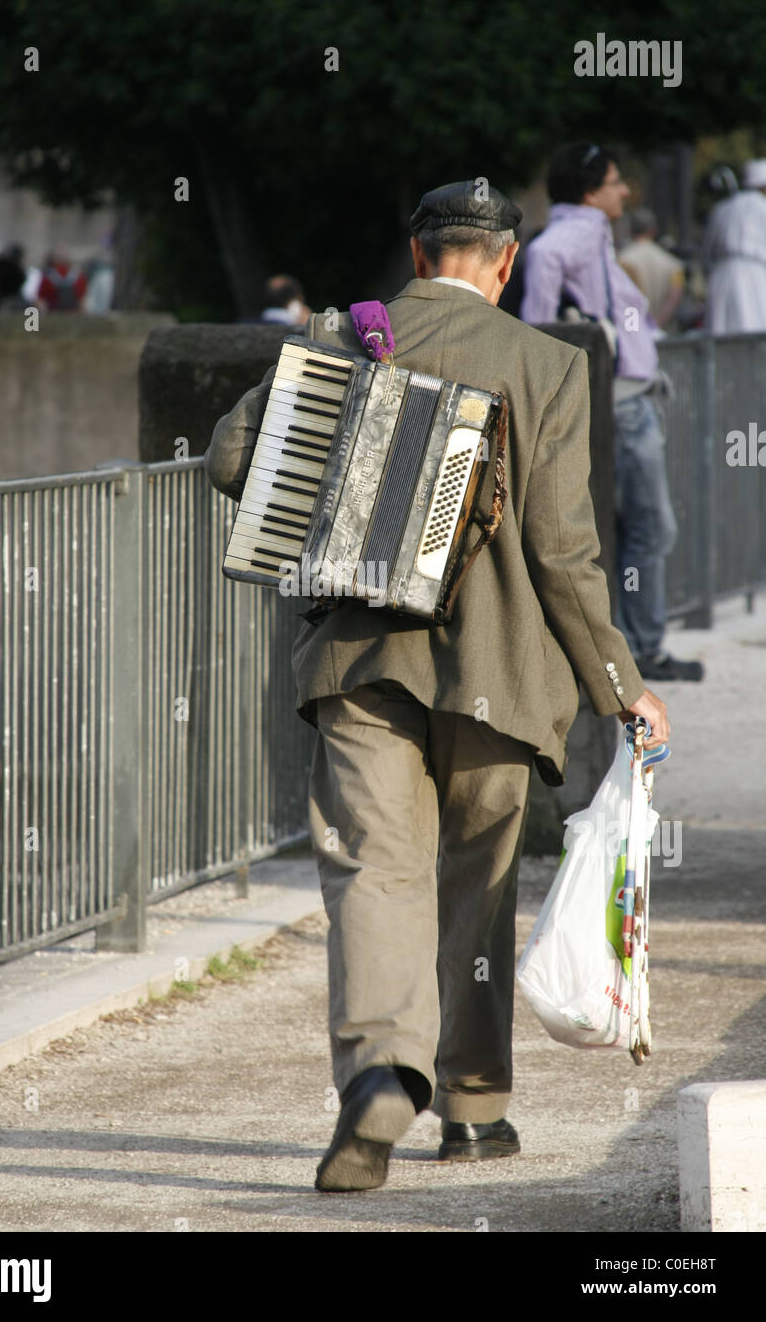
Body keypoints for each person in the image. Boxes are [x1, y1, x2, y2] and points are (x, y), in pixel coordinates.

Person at [204, 179, 670, 1191]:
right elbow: (562, 548)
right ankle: (471, 1110)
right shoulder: (545, 365)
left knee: (373, 870)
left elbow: (230, 457)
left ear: (415, 258)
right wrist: (618, 683)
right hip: (501, 677)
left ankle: (378, 1071)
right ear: (503, 267)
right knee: (476, 888)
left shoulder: (346, 339)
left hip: (363, 664)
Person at [520, 141, 703, 683]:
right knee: (649, 529)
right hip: (622, 406)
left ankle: (628, 648)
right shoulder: (570, 237)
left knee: (629, 530)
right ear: (590, 190)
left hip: (627, 401)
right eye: (616, 181)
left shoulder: (592, 234)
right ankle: (639, 652)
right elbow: (544, 283)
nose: (626, 190)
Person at [702, 158, 766, 334]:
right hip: (756, 276)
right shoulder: (762, 206)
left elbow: (707, 253)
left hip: (721, 277)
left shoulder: (721, 208)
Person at [618, 207, 685, 332]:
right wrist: (656, 326)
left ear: (631, 230)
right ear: (653, 230)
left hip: (632, 332)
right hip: (665, 335)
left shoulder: (621, 260)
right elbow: (674, 297)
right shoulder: (673, 264)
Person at [36, 247, 88, 312]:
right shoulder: (78, 275)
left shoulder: (47, 276)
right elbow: (83, 300)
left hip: (55, 313)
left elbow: (41, 299)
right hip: (71, 313)